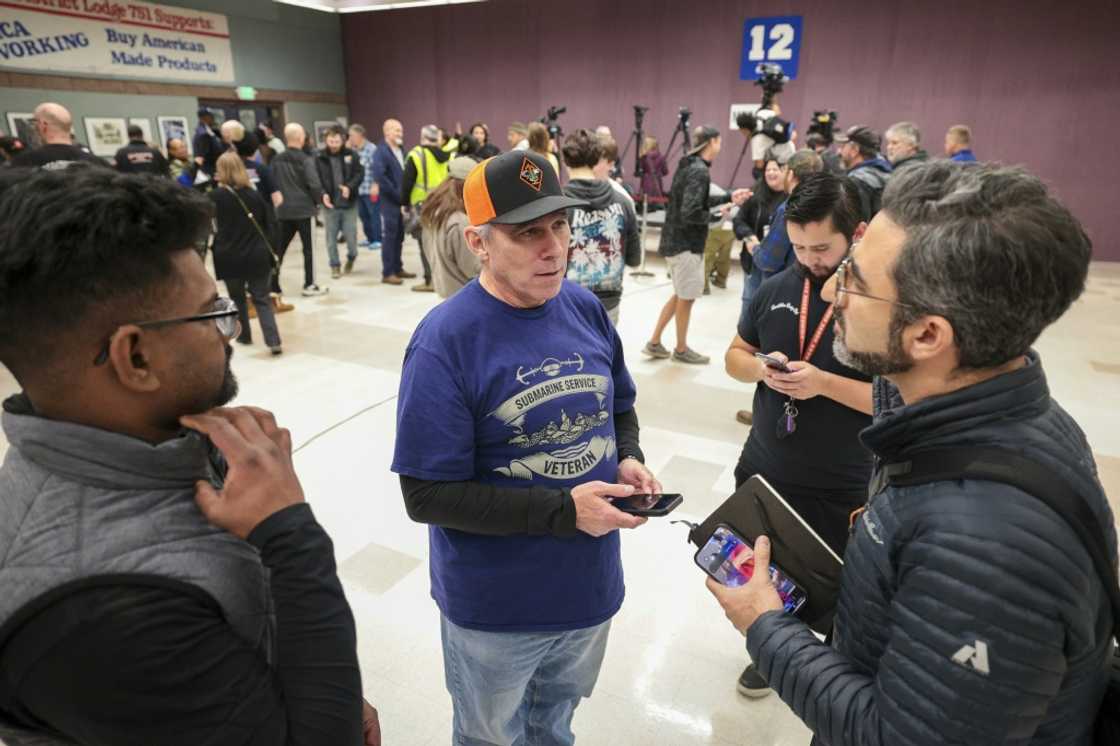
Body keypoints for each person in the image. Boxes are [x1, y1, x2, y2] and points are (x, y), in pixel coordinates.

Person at [706, 161, 1112, 746]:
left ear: (927, 336)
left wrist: (764, 624)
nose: (828, 290)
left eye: (855, 279)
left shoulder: (984, 549)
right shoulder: (980, 415)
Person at [0, 165, 380, 746]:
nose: (228, 330)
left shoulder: (154, 436)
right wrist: (292, 537)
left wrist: (319, 682)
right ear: (136, 358)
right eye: (212, 314)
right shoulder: (104, 619)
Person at [392, 149, 660, 746]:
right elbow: (427, 494)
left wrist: (630, 455)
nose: (554, 246)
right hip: (498, 611)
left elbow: (619, 403)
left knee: (554, 727)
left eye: (560, 225)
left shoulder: (585, 307)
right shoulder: (445, 342)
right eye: (527, 233)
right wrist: (565, 512)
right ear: (478, 242)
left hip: (588, 589)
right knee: (490, 736)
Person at [723, 172, 873, 697]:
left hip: (841, 481)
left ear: (857, 233)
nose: (810, 258)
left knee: (835, 587)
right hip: (766, 466)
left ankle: (829, 660)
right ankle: (772, 650)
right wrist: (763, 371)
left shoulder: (879, 306)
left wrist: (825, 384)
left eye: (821, 247)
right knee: (767, 569)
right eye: (799, 246)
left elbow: (897, 399)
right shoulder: (776, 288)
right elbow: (735, 356)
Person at [645, 125, 750, 365]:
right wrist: (715, 216)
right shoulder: (699, 171)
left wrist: (728, 197)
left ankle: (654, 342)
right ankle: (680, 349)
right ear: (713, 142)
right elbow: (690, 212)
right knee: (687, 297)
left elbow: (693, 201)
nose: (720, 146)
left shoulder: (689, 165)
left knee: (681, 294)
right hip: (686, 245)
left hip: (676, 242)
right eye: (719, 141)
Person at [562, 129, 641, 323]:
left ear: (565, 162)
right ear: (597, 159)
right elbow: (634, 259)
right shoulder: (624, 202)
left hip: (567, 304)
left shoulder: (557, 205)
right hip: (609, 305)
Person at [211, 153, 283, 355]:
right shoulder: (254, 195)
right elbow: (269, 224)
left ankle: (244, 335)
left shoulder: (214, 197)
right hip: (256, 253)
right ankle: (273, 341)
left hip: (228, 255)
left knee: (237, 298)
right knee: (261, 298)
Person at [272, 123, 328, 297]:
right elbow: (314, 184)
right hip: (304, 210)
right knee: (309, 250)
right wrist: (318, 202)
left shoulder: (276, 160)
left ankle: (273, 285)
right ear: (301, 138)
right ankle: (309, 284)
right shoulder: (306, 159)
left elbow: (271, 183)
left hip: (282, 211)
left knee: (278, 249)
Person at [402, 124, 455, 293]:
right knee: (440, 242)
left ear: (423, 137)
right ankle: (442, 279)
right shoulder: (448, 154)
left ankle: (430, 280)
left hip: (422, 205)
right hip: (444, 203)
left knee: (425, 243)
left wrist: (403, 203)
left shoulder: (416, 154)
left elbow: (407, 182)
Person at [419, 156, 480, 298]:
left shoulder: (434, 212)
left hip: (445, 291)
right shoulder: (459, 222)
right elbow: (473, 268)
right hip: (464, 296)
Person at [316, 127, 364, 280]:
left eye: (337, 141)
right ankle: (334, 265)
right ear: (326, 141)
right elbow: (316, 179)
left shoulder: (352, 155)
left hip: (349, 204)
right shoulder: (319, 157)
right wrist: (322, 193)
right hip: (330, 205)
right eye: (331, 141)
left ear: (342, 140)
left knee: (351, 236)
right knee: (331, 238)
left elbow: (359, 174)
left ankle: (351, 256)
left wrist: (349, 187)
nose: (334, 144)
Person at [373, 118, 414, 286]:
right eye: (396, 130)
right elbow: (381, 177)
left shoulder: (401, 150)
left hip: (401, 201)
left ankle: (398, 268)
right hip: (390, 201)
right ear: (387, 132)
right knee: (390, 236)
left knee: (399, 236)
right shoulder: (381, 151)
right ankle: (388, 272)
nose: (400, 133)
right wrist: (398, 195)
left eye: (401, 130)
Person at [8, 103, 104, 170]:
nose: (34, 127)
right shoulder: (99, 163)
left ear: (43, 126)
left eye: (34, 122)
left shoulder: (23, 163)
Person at [835, 125, 893, 220]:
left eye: (843, 147)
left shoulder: (857, 181)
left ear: (854, 150)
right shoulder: (888, 174)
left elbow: (858, 224)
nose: (838, 152)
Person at [349, 123, 382, 251]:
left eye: (352, 135)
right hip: (359, 190)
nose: (350, 138)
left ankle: (377, 239)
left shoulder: (371, 149)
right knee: (363, 215)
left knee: (374, 214)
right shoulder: (354, 151)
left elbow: (377, 168)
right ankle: (369, 238)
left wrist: (376, 184)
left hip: (371, 189)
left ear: (360, 135)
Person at [193, 107, 224, 177]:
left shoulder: (211, 130)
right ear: (203, 118)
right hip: (210, 171)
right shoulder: (203, 134)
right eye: (211, 117)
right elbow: (204, 156)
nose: (213, 119)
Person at [638, 135, 669, 204]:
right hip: (657, 184)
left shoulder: (644, 157)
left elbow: (639, 171)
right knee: (657, 205)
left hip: (646, 184)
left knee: (646, 206)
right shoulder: (661, 157)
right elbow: (665, 171)